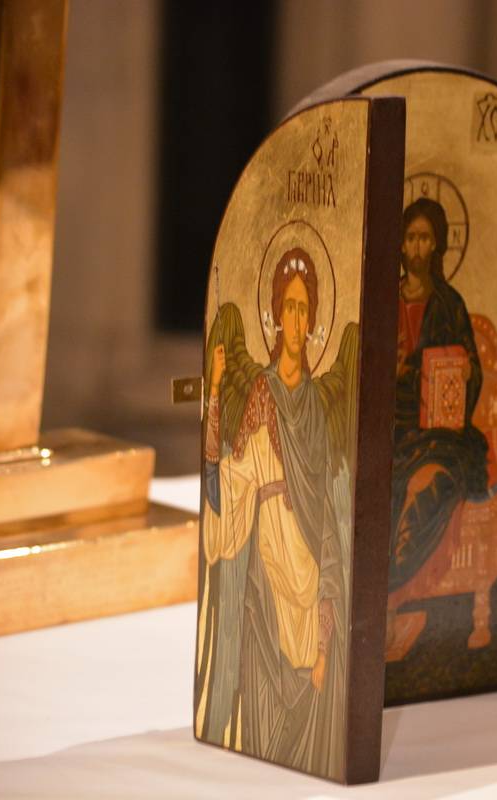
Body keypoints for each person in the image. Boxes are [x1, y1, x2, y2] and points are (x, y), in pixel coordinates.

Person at [201, 247, 348, 776]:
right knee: (264, 687)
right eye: (289, 306)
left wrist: (327, 613)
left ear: (314, 321)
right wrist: (215, 389)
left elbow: (325, 505)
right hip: (267, 569)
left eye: (305, 309)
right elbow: (229, 479)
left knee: (312, 690)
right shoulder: (262, 392)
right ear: (275, 315)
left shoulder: (315, 408)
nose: (297, 320)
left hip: (308, 567)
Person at [390, 198, 490, 593]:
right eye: (410, 238)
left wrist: (466, 372)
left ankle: (397, 577)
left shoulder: (450, 304)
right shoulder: (384, 301)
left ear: (436, 244)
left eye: (424, 238)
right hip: (391, 424)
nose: (416, 247)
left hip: (438, 433)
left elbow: (472, 366)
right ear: (400, 244)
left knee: (431, 484)